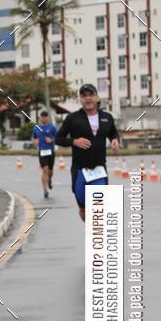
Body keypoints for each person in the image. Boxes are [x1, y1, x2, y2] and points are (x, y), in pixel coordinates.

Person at [55, 83, 120, 222]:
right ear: (80, 99)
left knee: (99, 208)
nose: (88, 98)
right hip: (79, 171)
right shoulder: (73, 118)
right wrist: (74, 141)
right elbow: (58, 139)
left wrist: (115, 139)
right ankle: (90, 228)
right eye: (84, 96)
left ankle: (96, 235)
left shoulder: (107, 117)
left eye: (91, 95)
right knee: (84, 209)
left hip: (99, 170)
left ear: (97, 98)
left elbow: (113, 132)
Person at [32, 110, 57, 199]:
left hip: (51, 151)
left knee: (50, 171)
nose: (44, 118)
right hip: (42, 151)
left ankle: (49, 180)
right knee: (45, 170)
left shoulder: (52, 127)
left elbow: (58, 138)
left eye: (46, 116)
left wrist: (52, 140)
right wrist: (35, 141)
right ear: (40, 117)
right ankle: (45, 190)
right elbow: (33, 138)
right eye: (42, 116)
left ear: (48, 118)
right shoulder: (36, 128)